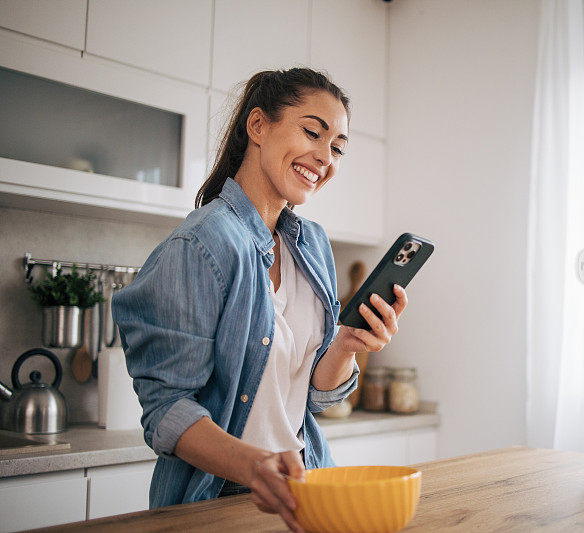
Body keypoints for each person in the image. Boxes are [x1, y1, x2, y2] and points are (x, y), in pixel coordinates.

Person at [112, 68, 407, 532]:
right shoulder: (200, 247)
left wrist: (347, 342)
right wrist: (255, 467)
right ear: (258, 126)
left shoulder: (311, 245)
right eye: (312, 132)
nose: (324, 157)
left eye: (337, 148)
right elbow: (167, 407)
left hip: (307, 485)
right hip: (217, 499)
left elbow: (310, 397)